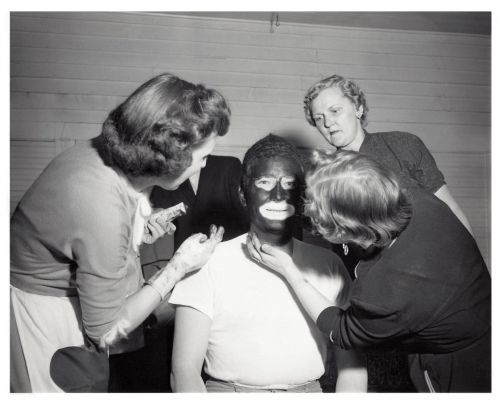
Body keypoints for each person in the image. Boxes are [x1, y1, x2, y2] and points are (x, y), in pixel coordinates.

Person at [10, 73, 229, 392]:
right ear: (168, 160)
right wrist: (176, 268)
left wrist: (135, 231)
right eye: (203, 157)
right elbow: (105, 331)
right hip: (43, 317)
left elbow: (79, 232)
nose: (205, 166)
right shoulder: (99, 203)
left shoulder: (106, 154)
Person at [247, 149, 491, 393]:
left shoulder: (385, 290)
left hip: (461, 367)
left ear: (341, 231)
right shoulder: (419, 198)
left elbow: (341, 331)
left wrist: (291, 272)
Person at [169, 135, 367, 393]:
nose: (278, 195)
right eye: (264, 182)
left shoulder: (328, 265)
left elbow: (352, 366)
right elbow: (184, 370)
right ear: (242, 194)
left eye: (289, 184)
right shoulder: (207, 262)